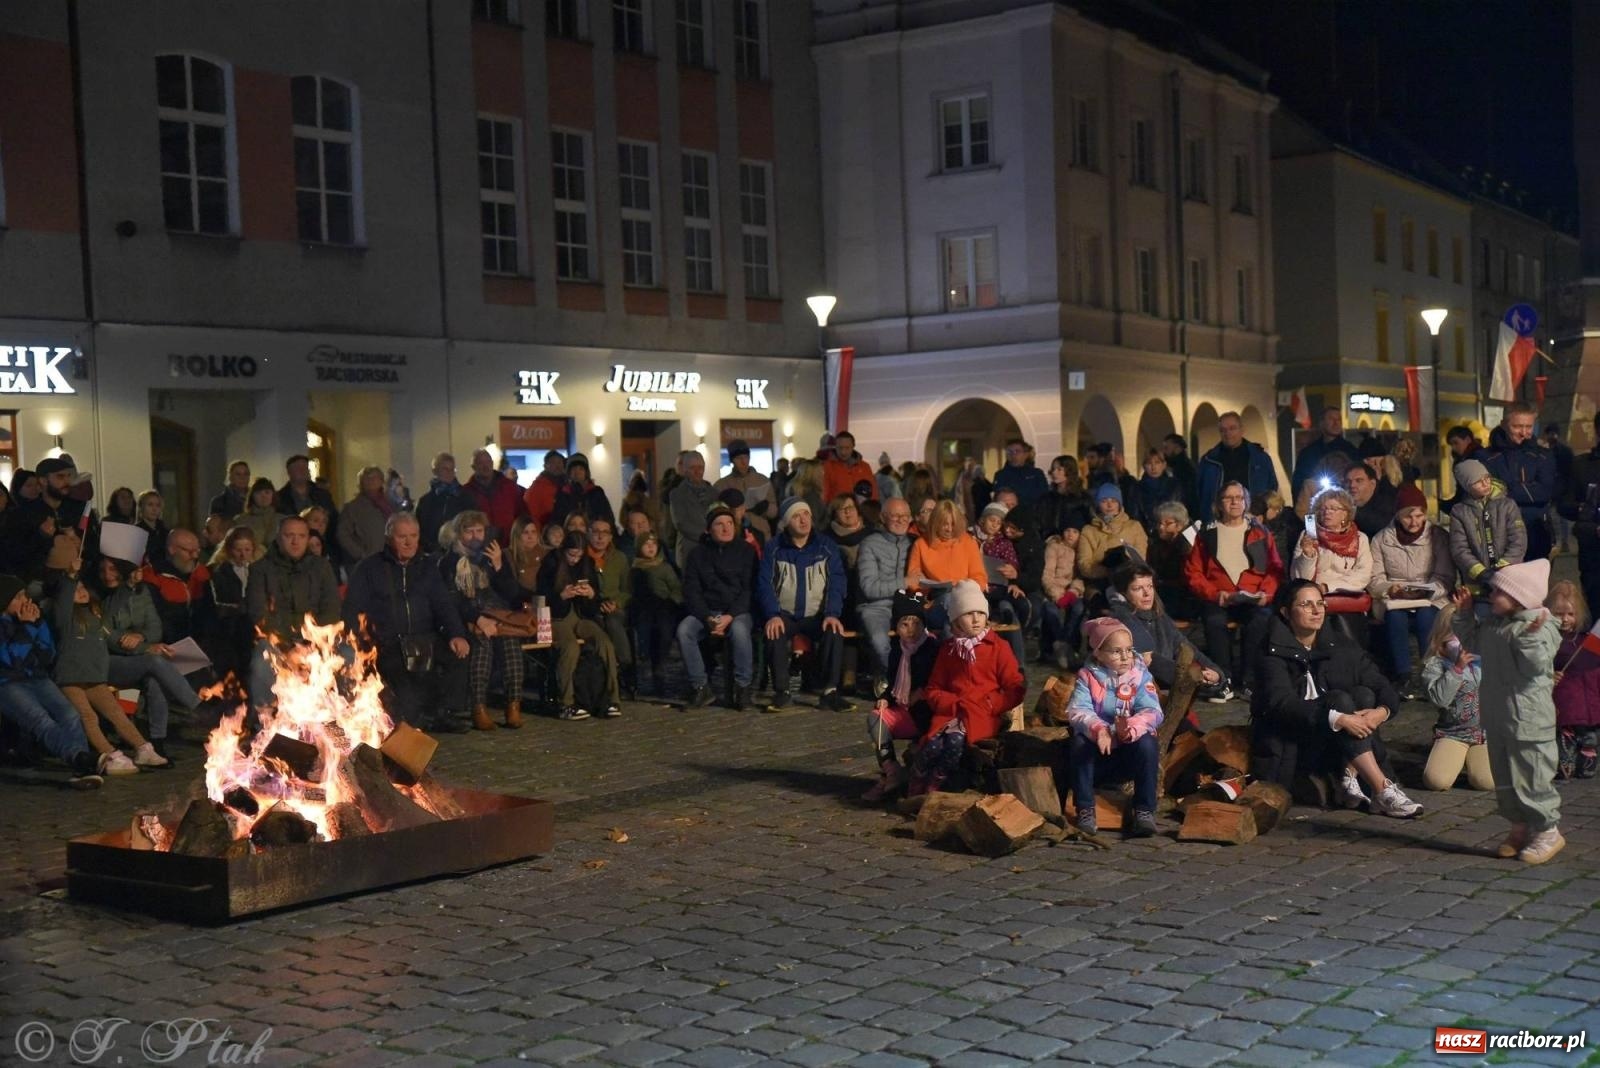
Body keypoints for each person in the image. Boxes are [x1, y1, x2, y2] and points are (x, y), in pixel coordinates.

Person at [1253, 579, 1421, 817]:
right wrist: (1338, 719)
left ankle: (1351, 777)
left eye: (1320, 603)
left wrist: (1381, 712)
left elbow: (1381, 684)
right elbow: (1281, 704)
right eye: (1306, 604)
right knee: (1339, 700)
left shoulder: (1339, 644)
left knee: (1364, 694)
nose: (1316, 610)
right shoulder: (1271, 651)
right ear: (1286, 612)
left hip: (1337, 745)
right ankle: (1381, 789)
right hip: (1293, 741)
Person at [1450, 559, 1564, 863]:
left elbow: (1535, 666)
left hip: (1528, 719)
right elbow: (1473, 643)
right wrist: (1464, 615)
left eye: (1499, 591)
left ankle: (1547, 831)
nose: (1491, 596)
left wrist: (1529, 639)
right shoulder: (1495, 625)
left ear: (1519, 597)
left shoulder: (1540, 626)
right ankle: (1519, 827)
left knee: (1532, 775)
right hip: (1499, 715)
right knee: (1505, 776)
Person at [342, 513, 472, 734]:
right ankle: (413, 716)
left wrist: (456, 634)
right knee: (408, 708)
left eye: (414, 535)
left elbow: (443, 604)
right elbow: (352, 609)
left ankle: (443, 713)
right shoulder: (369, 568)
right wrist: (362, 643)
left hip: (425, 638)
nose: (409, 542)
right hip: (387, 643)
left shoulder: (427, 567)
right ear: (389, 538)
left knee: (457, 654)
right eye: (402, 536)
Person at [909, 579, 1026, 794]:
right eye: (968, 614)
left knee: (954, 744)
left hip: (980, 714)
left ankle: (936, 783)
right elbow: (933, 688)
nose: (976, 619)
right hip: (951, 713)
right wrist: (951, 703)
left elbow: (1015, 687)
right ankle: (917, 777)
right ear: (956, 620)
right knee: (932, 745)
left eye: (980, 613)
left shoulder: (998, 647)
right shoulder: (949, 650)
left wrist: (991, 704)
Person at [48, 572, 169, 773]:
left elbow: (113, 616)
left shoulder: (96, 616)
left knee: (116, 712)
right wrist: (70, 576)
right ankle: (110, 755)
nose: (81, 592)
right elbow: (63, 602)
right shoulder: (64, 617)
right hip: (69, 677)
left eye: (82, 587)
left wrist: (128, 585)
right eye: (75, 590)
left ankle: (143, 748)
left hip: (93, 677)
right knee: (88, 716)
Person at [0, 575, 106, 787]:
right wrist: (27, 628)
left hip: (37, 677)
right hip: (7, 683)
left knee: (70, 714)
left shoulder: (32, 620)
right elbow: (12, 660)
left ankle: (81, 768)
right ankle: (79, 758)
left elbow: (48, 654)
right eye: (18, 597)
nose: (25, 601)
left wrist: (38, 625)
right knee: (40, 720)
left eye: (25, 595)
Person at [1062, 617, 1164, 837]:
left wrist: (1130, 728)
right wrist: (1099, 729)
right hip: (1100, 750)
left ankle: (1144, 810)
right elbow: (1078, 710)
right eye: (1116, 652)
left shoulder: (1140, 676)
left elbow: (1152, 710)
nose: (1125, 657)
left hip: (1129, 747)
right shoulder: (1087, 677)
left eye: (1129, 650)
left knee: (1148, 744)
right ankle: (1085, 809)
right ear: (1098, 653)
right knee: (1079, 743)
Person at [1182, 481, 1280, 700]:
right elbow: (1194, 572)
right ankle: (1223, 680)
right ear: (1219, 503)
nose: (1235, 502)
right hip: (1219, 597)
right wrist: (1214, 594)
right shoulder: (1207, 533)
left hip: (1253, 597)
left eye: (1239, 497)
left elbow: (1275, 568)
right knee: (1214, 621)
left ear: (1246, 502)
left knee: (1260, 620)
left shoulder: (1260, 532)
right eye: (1229, 498)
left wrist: (1265, 594)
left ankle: (1247, 682)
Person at [100, 556, 203, 761]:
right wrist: (146, 647)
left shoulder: (142, 592)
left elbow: (155, 627)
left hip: (136, 658)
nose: (107, 575)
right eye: (103, 570)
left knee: (155, 680)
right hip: (107, 661)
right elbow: (107, 636)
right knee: (154, 661)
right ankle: (197, 706)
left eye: (113, 569)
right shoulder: (100, 597)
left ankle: (157, 742)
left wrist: (141, 636)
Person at [759, 499, 854, 713]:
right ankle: (782, 692)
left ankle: (829, 692)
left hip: (817, 614)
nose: (803, 520)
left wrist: (832, 613)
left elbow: (837, 581)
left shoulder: (826, 546)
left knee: (834, 631)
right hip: (785, 614)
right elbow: (764, 583)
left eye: (806, 514)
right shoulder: (774, 547)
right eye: (796, 516)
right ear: (786, 523)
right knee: (774, 632)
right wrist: (772, 614)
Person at [245, 515, 342, 715]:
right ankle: (265, 720)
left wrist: (313, 643)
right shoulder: (261, 569)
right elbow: (259, 613)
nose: (295, 541)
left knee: (347, 655)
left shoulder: (321, 567)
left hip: (317, 641)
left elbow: (331, 608)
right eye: (289, 535)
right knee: (262, 663)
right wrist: (287, 647)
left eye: (301, 536)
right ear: (278, 537)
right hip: (277, 642)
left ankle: (345, 719)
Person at [439, 511, 527, 728]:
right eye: (469, 531)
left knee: (510, 642)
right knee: (482, 643)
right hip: (467, 617)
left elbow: (512, 593)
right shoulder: (450, 561)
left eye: (479, 531)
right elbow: (453, 600)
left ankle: (513, 706)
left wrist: (498, 566)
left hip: (496, 613)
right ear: (458, 533)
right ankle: (478, 708)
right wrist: (478, 619)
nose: (475, 536)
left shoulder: (491, 556)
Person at [1369, 483, 1454, 688]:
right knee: (1395, 618)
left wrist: (1426, 592)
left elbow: (1445, 576)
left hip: (1430, 596)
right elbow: (1374, 578)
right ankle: (1403, 676)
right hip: (1394, 598)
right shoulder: (1381, 539)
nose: (1414, 522)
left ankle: (1429, 672)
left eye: (1419, 515)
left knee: (1427, 617)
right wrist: (1389, 589)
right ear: (1398, 515)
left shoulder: (1438, 537)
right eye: (1408, 516)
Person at [860, 591, 939, 801]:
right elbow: (893, 681)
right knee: (876, 717)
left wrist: (922, 693)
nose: (911, 629)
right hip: (904, 709)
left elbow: (938, 681)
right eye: (905, 624)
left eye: (916, 623)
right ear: (896, 627)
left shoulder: (932, 648)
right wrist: (886, 697)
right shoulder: (898, 650)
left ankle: (906, 781)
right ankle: (890, 770)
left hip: (926, 713)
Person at [679, 505, 758, 708]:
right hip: (708, 611)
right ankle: (700, 686)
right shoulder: (697, 554)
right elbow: (692, 591)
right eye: (719, 524)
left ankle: (743, 687)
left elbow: (749, 589)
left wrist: (730, 616)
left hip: (737, 611)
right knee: (685, 630)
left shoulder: (746, 551)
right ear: (709, 529)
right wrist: (707, 617)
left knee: (739, 630)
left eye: (730, 523)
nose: (726, 528)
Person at [538, 530, 622, 720]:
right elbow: (542, 598)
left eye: (579, 555)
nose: (575, 559)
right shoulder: (551, 563)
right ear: (564, 550)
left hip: (581, 616)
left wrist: (591, 594)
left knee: (604, 643)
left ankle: (612, 698)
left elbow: (594, 604)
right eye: (571, 555)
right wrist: (561, 596)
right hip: (556, 617)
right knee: (570, 647)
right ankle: (566, 703)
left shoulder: (587, 563)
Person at [1107, 564, 1222, 697]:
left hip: (1170, 689)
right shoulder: (1121, 620)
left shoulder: (1160, 618)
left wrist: (1216, 673)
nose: (1147, 593)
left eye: (1150, 586)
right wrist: (1192, 678)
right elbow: (1149, 658)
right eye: (1138, 588)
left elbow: (1186, 647)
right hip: (1137, 695)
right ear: (1123, 593)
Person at [1419, 608, 1491, 792]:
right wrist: (1457, 669)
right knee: (1436, 781)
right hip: (1454, 732)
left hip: (1484, 734)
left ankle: (1475, 759)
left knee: (1487, 782)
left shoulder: (1483, 660)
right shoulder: (1435, 665)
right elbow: (1439, 699)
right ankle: (1452, 755)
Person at [1292, 486, 1374, 645]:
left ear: (1345, 513)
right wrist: (1307, 555)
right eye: (1323, 509)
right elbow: (1299, 579)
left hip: (1346, 598)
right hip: (1315, 598)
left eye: (1333, 509)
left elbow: (1363, 574)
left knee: (1345, 624)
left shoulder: (1359, 538)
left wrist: (1327, 587)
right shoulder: (1307, 535)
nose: (1327, 512)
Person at [1482, 402, 1557, 561]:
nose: (1524, 432)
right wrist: (1527, 490)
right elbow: (1486, 494)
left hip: (1537, 535)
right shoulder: (1485, 457)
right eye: (1517, 426)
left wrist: (1505, 489)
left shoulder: (1544, 456)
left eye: (1528, 427)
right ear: (1503, 424)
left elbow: (1545, 492)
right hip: (1499, 535)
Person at [1448, 458, 1527, 608]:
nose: (1485, 483)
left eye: (1487, 478)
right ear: (1466, 486)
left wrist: (1502, 568)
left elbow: (1518, 541)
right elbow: (1459, 549)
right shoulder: (1459, 512)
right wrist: (1481, 573)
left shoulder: (1507, 505)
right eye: (1478, 482)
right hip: (1477, 586)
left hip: (1509, 582)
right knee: (1482, 616)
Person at [857, 497, 916, 686]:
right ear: (883, 517)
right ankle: (894, 681)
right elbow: (869, 587)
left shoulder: (914, 543)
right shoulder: (869, 544)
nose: (901, 520)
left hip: (908, 605)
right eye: (895, 516)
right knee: (879, 641)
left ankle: (913, 683)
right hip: (876, 607)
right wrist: (904, 582)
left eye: (905, 516)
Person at [1549, 580, 1599, 781]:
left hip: (1590, 707)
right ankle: (1565, 746)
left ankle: (1587, 751)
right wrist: (1550, 676)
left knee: (1589, 743)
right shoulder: (1548, 641)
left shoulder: (1586, 641)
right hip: (1565, 706)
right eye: (1559, 614)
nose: (1565, 619)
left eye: (1570, 614)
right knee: (1564, 765)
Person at [1196, 411, 1279, 520]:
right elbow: (1199, 494)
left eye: (1232, 428)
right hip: (1217, 520)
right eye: (1223, 430)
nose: (1228, 433)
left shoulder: (1260, 458)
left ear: (1242, 430)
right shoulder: (1208, 461)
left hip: (1254, 520)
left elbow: (1271, 489)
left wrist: (1263, 515)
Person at [585, 516, 634, 698]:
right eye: (596, 532)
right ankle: (612, 673)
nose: (600, 537)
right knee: (599, 623)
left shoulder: (619, 558)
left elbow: (627, 590)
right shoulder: (582, 558)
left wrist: (616, 603)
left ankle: (624, 666)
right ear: (588, 534)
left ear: (611, 537)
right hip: (591, 607)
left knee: (612, 621)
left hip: (615, 608)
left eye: (605, 533)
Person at [629, 532, 682, 696]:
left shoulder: (664, 567)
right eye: (646, 544)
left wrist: (672, 602)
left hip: (665, 607)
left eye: (654, 544)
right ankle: (647, 658)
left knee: (663, 631)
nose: (651, 547)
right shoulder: (635, 568)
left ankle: (660, 663)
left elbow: (676, 589)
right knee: (646, 630)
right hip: (645, 609)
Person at [140, 528, 211, 647]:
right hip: (168, 644)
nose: (195, 556)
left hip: (199, 642)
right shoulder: (152, 576)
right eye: (190, 551)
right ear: (172, 549)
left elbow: (208, 612)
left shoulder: (200, 572)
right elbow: (156, 620)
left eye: (197, 550)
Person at [906, 499, 987, 601]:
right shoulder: (921, 544)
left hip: (967, 596)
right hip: (935, 598)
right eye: (945, 524)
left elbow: (979, 578)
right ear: (935, 523)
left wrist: (965, 592)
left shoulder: (968, 541)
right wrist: (927, 593)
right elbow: (913, 580)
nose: (949, 529)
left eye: (953, 524)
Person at [1075, 484, 1148, 594]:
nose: (1109, 505)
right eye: (1104, 501)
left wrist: (1122, 569)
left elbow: (1140, 556)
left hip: (1130, 580)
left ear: (1119, 503)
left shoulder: (1134, 526)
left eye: (1114, 501)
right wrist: (1108, 571)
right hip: (1099, 582)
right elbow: (1084, 563)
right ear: (1098, 504)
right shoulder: (1089, 530)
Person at [205, 526, 255, 686]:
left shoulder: (256, 571)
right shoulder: (219, 572)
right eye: (238, 550)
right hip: (229, 625)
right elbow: (216, 604)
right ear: (229, 549)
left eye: (247, 550)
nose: (243, 555)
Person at [1291, 407, 1359, 502]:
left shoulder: (1351, 451)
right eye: (1331, 419)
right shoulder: (1309, 453)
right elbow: (1298, 483)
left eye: (1339, 419)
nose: (1336, 423)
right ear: (1322, 423)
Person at [461, 448, 526, 547]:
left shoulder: (510, 487)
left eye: (488, 462)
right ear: (473, 467)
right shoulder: (466, 492)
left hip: (510, 545)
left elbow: (522, 515)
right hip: (479, 547)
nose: (485, 466)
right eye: (480, 463)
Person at [1040, 521, 1083, 669]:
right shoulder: (1054, 547)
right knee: (1050, 611)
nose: (1071, 535)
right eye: (1068, 530)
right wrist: (1056, 594)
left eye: (1075, 532)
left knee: (1078, 609)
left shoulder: (1081, 550)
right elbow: (1047, 574)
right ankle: (1061, 647)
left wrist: (1073, 591)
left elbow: (1081, 576)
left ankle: (1065, 645)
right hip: (1054, 589)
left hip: (1073, 591)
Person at [715, 440, 777, 541]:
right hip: (736, 537)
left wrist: (766, 507)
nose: (744, 462)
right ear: (732, 460)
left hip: (762, 535)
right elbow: (717, 513)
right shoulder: (722, 485)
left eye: (746, 457)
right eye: (739, 458)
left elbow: (774, 512)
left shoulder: (762, 480)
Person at [1147, 501, 1197, 621]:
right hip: (1161, 589)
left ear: (1180, 525)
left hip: (1184, 596)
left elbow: (1185, 577)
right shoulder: (1156, 541)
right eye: (1159, 523)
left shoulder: (1188, 545)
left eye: (1167, 523)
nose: (1161, 527)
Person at [668, 450, 717, 570]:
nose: (697, 471)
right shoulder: (677, 494)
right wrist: (706, 536)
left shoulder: (714, 493)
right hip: (689, 548)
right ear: (685, 470)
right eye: (693, 468)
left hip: (712, 548)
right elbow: (681, 522)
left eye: (700, 467)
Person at [337, 465, 394, 564]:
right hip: (367, 562)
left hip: (391, 559)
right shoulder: (352, 508)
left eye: (374, 477)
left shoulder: (390, 504)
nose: (371, 481)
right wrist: (361, 554)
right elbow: (343, 534)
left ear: (381, 481)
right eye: (367, 478)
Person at [275, 454, 338, 542]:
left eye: (305, 468)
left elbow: (333, 518)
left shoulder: (322, 495)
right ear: (289, 472)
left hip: (321, 542)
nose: (303, 471)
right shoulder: (279, 498)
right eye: (299, 468)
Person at [1037, 455, 1093, 543]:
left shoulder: (1083, 498)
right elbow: (1038, 523)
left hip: (1076, 543)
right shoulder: (1046, 498)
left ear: (1069, 471)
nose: (1054, 472)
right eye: (1053, 469)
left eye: (1059, 469)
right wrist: (1048, 537)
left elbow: (1091, 522)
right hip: (1051, 543)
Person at [550, 452, 614, 528]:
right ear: (569, 473)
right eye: (574, 469)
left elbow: (607, 517)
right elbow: (557, 519)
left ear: (586, 472)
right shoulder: (563, 494)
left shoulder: (596, 492)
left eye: (581, 469)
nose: (577, 472)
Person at [1438, 426, 1486, 515]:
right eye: (1451, 444)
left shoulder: (1475, 459)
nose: (1453, 448)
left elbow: (1466, 493)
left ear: (1468, 440)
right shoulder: (1464, 459)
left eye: (1456, 443)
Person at [822, 430, 877, 504]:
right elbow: (824, 494)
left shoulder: (865, 467)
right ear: (835, 447)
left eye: (847, 448)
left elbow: (873, 492)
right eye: (840, 448)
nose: (843, 452)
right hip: (837, 509)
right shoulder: (827, 467)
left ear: (853, 447)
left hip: (862, 509)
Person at [1345, 462, 1397, 540]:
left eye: (1359, 481)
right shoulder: (1341, 505)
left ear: (1372, 484)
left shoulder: (1387, 506)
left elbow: (1382, 528)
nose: (1352, 485)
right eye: (1348, 481)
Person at [234, 477, 282, 560]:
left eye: (267, 492)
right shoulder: (240, 521)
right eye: (258, 493)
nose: (263, 496)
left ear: (273, 495)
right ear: (252, 496)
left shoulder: (282, 520)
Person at [991, 438, 1048, 506]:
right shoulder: (1000, 475)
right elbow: (997, 498)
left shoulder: (1036, 474)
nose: (1013, 455)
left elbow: (1044, 497)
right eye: (1010, 452)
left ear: (1025, 454)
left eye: (1017, 451)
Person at [1138, 449, 1183, 532]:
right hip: (1146, 532)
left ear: (1164, 465)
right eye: (1149, 463)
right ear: (1144, 466)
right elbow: (1135, 516)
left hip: (1171, 531)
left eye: (1157, 462)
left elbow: (1180, 511)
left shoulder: (1174, 486)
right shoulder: (1137, 488)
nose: (1153, 467)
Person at [1160, 434, 1199, 515]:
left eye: (1166, 448)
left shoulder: (1186, 468)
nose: (1164, 451)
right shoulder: (1170, 466)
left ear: (1177, 448)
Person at [508, 515, 546, 597]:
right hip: (520, 599)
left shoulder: (546, 553)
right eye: (525, 532)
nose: (530, 536)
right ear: (517, 535)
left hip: (545, 598)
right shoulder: (509, 555)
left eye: (533, 532)